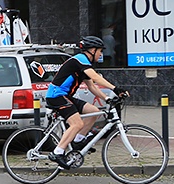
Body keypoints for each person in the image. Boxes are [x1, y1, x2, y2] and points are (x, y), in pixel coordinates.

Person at [44, 36, 129, 169]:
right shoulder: (80, 59)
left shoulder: (84, 64)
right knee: (77, 123)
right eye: (100, 51)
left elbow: (92, 86)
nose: (101, 54)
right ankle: (58, 152)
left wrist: (107, 99)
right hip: (56, 96)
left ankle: (78, 141)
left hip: (65, 96)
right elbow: (95, 77)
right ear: (92, 50)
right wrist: (115, 89)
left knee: (94, 112)